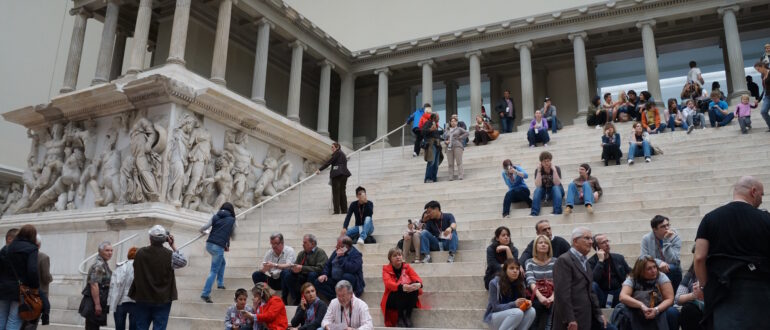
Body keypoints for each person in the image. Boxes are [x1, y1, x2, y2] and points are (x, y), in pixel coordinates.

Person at [694, 176, 770, 329]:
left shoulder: (710, 218)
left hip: (723, 290)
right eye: (762, 195)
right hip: (760, 290)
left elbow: (699, 257)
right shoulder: (766, 219)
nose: (762, 200)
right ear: (753, 191)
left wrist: (705, 287)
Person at [129, 225, 188, 329]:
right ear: (165, 239)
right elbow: (183, 261)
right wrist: (173, 245)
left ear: (150, 238)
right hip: (163, 298)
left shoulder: (139, 253)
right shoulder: (170, 255)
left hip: (143, 297)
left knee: (141, 327)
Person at [552, 227, 612, 330]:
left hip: (586, 317)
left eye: (591, 239)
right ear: (575, 241)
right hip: (571, 321)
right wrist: (570, 319)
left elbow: (590, 291)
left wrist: (599, 313)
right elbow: (562, 294)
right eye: (587, 238)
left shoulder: (585, 261)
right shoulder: (564, 260)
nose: (591, 242)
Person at [615, 256, 677, 330]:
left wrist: (656, 310)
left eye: (654, 267)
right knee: (621, 309)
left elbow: (670, 299)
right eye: (649, 269)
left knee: (672, 312)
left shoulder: (661, 276)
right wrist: (641, 306)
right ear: (640, 271)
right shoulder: (632, 278)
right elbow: (622, 296)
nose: (654, 270)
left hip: (658, 309)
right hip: (637, 310)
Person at [0, 225, 39, 330]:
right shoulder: (31, 249)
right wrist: (34, 287)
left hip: (3, 288)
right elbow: (32, 270)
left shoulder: (7, 248)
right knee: (14, 319)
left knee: (1, 317)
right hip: (20, 290)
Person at [200, 202, 237, 303]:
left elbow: (203, 228)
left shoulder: (215, 217)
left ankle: (220, 283)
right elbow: (234, 236)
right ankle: (205, 293)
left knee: (222, 262)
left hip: (209, 245)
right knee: (213, 271)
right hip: (218, 247)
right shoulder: (232, 220)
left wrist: (203, 232)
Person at [484, 258, 536, 330]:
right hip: (495, 317)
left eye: (517, 269)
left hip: (514, 316)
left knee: (531, 311)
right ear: (505, 270)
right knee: (517, 312)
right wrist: (514, 304)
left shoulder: (521, 283)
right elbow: (495, 307)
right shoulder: (494, 283)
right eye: (511, 268)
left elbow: (521, 305)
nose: (515, 271)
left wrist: (526, 303)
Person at [381, 248, 423, 327]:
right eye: (395, 256)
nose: (398, 257)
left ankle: (408, 316)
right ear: (390, 259)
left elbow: (416, 277)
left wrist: (419, 284)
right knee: (400, 290)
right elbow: (388, 283)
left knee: (414, 288)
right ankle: (400, 317)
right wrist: (402, 287)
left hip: (405, 296)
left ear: (402, 257)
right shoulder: (386, 269)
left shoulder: (407, 267)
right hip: (392, 298)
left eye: (399, 255)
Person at [640, 215, 682, 292]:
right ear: (655, 229)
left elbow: (673, 260)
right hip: (654, 266)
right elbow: (643, 257)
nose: (667, 228)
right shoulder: (646, 238)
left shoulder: (675, 237)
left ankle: (674, 295)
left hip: (671, 266)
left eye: (668, 225)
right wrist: (659, 263)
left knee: (673, 268)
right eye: (663, 226)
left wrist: (666, 240)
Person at [314, 236, 365, 300]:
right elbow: (328, 264)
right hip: (335, 281)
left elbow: (351, 269)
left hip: (348, 282)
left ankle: (342, 298)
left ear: (345, 247)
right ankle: (336, 298)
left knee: (347, 276)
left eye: (338, 245)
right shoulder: (336, 252)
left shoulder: (356, 255)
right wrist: (324, 274)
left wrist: (341, 258)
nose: (336, 247)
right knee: (318, 281)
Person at [588, 234, 631, 309]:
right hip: (601, 294)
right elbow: (593, 279)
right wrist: (600, 261)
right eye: (603, 242)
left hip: (619, 292)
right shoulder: (591, 262)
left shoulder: (618, 258)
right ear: (596, 247)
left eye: (607, 241)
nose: (607, 244)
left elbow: (631, 272)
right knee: (592, 285)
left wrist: (627, 281)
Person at [285, 234, 328, 305]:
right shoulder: (301, 253)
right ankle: (297, 298)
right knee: (288, 275)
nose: (303, 244)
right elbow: (296, 265)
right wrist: (294, 270)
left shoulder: (320, 252)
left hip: (314, 276)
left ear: (313, 243)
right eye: (303, 242)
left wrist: (302, 268)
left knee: (312, 274)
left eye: (305, 242)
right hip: (302, 275)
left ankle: (310, 299)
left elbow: (320, 269)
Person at [252, 233, 296, 303]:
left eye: (276, 243)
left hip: (284, 280)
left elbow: (289, 265)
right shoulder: (269, 253)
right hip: (273, 279)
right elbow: (261, 268)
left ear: (282, 243)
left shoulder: (289, 250)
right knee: (256, 274)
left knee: (286, 273)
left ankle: (284, 299)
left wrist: (274, 265)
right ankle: (263, 298)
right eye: (272, 244)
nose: (273, 246)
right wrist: (264, 269)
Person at [525, 235, 556, 330]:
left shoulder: (556, 261)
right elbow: (530, 281)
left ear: (549, 246)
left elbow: (559, 280)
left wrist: (552, 297)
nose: (543, 245)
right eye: (540, 243)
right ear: (535, 246)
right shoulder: (529, 262)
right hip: (536, 294)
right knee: (536, 306)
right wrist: (540, 297)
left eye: (546, 243)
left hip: (553, 294)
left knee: (555, 306)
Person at [22, 234, 52, 329]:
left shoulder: (23, 256)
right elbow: (46, 277)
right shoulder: (43, 257)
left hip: (24, 294)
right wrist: (51, 278)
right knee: (32, 323)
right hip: (38, 296)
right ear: (39, 245)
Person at [83, 241, 113, 330]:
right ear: (100, 251)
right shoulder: (99, 265)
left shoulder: (103, 264)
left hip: (99, 300)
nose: (110, 253)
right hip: (94, 302)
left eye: (111, 251)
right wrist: (97, 304)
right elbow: (94, 285)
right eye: (107, 250)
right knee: (92, 327)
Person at [316, 142, 352, 215]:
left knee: (336, 193)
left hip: (337, 174)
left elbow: (329, 162)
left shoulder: (337, 153)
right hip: (344, 174)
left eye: (332, 147)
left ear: (337, 147)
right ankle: (344, 210)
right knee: (342, 192)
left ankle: (336, 211)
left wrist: (320, 169)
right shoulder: (343, 154)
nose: (331, 149)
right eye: (331, 147)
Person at [674, 247, 703, 330]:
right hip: (696, 309)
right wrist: (693, 295)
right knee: (688, 309)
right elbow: (678, 298)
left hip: (712, 306)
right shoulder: (690, 274)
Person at [108, 247, 137, 330]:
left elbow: (113, 285)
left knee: (119, 327)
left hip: (120, 300)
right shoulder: (141, 267)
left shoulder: (120, 266)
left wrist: (110, 301)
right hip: (135, 301)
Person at [530, 151, 563, 216]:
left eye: (548, 161)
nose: (546, 163)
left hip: (556, 191)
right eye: (544, 161)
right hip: (544, 192)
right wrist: (539, 171)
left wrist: (554, 171)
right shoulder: (538, 170)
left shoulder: (556, 168)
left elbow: (557, 183)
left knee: (555, 187)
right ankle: (534, 213)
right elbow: (538, 185)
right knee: (538, 190)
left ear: (551, 161)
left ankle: (557, 211)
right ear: (541, 162)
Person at [422, 113, 443, 183]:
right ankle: (427, 178)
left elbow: (436, 135)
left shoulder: (435, 125)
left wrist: (443, 132)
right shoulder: (428, 123)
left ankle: (433, 178)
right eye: (438, 117)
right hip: (431, 145)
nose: (439, 119)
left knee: (436, 163)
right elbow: (423, 131)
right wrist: (430, 129)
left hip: (437, 145)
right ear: (434, 118)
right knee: (431, 161)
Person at [753, 61, 770, 131]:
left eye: (758, 69)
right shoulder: (762, 75)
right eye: (757, 70)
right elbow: (764, 89)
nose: (758, 71)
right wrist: (759, 99)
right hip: (767, 96)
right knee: (763, 111)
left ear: (762, 66)